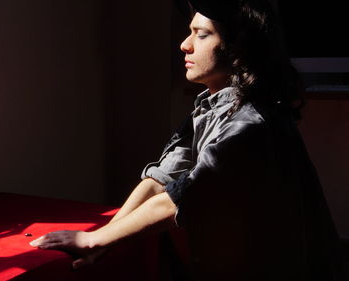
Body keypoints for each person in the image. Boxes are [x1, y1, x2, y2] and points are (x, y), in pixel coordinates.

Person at [30, 0, 344, 280]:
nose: (184, 45)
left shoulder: (252, 123)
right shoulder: (211, 107)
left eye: (202, 34)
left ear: (238, 47)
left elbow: (181, 198)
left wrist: (92, 240)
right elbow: (161, 179)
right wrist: (104, 236)